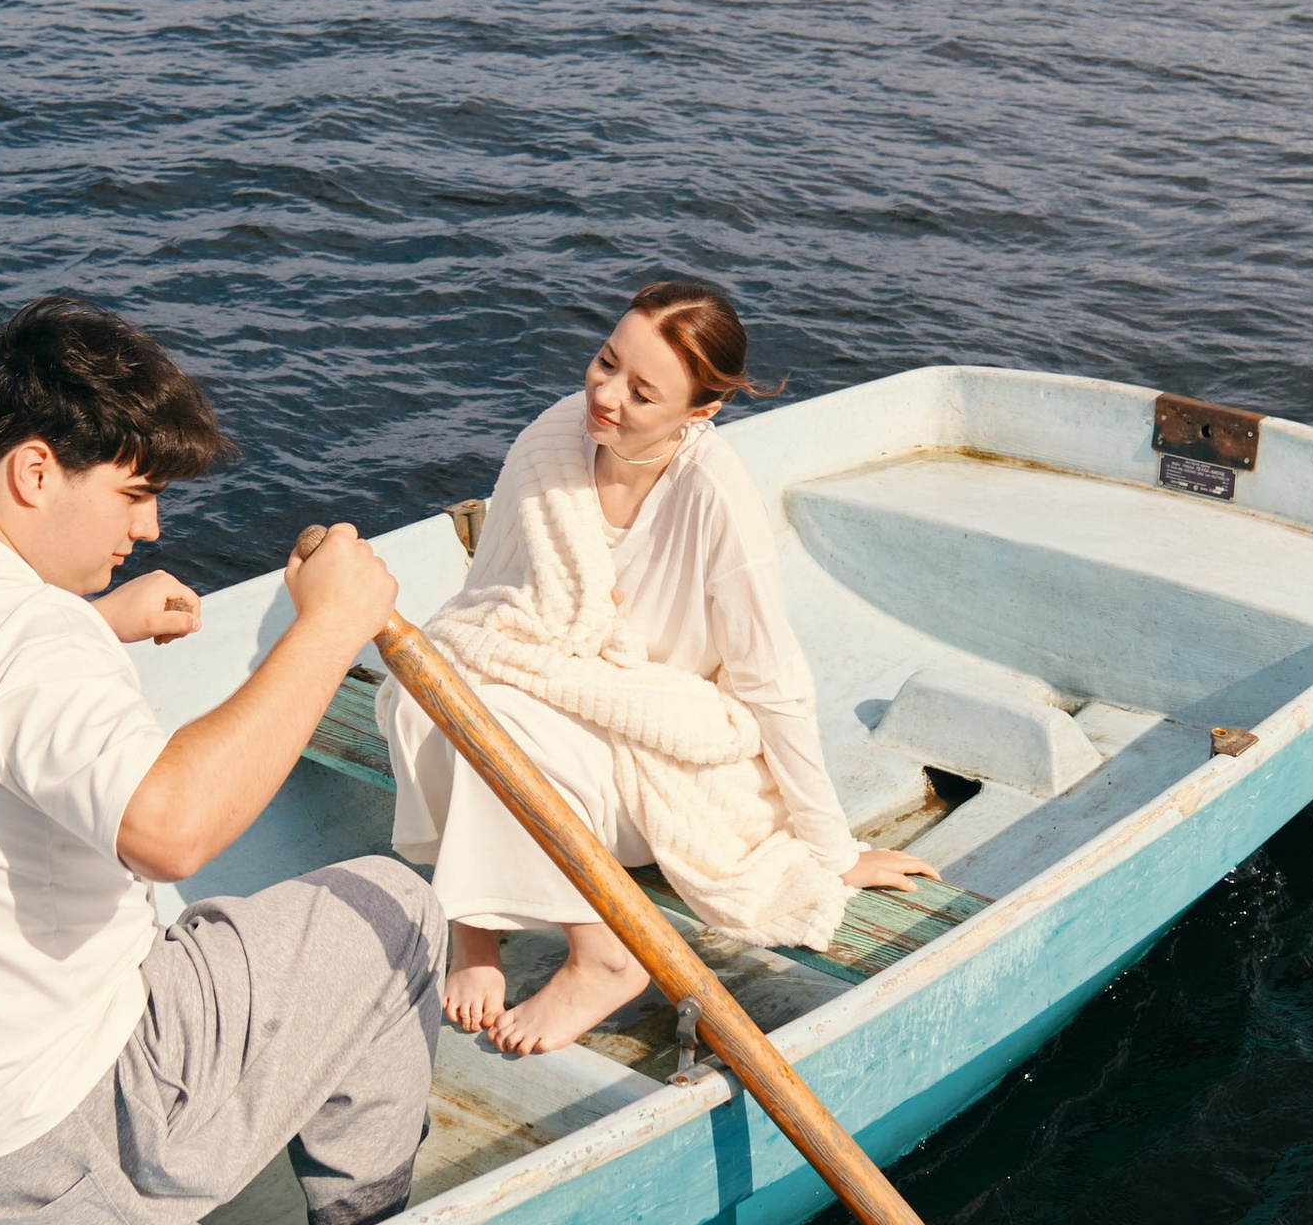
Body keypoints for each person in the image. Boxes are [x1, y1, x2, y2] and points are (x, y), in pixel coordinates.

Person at [0, 293, 444, 1225]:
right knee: (396, 911)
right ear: (35, 471)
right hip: (41, 1144)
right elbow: (170, 834)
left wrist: (97, 624)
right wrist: (331, 627)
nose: (153, 527)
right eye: (134, 494)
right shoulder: (27, 634)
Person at [383, 277, 935, 1056]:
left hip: (662, 747)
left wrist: (834, 851)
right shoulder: (554, 439)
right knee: (421, 691)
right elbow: (493, 600)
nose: (606, 395)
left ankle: (604, 955)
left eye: (643, 393)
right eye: (607, 361)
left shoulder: (716, 497)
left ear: (700, 411)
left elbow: (772, 683)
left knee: (494, 721)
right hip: (559, 689)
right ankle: (475, 929)